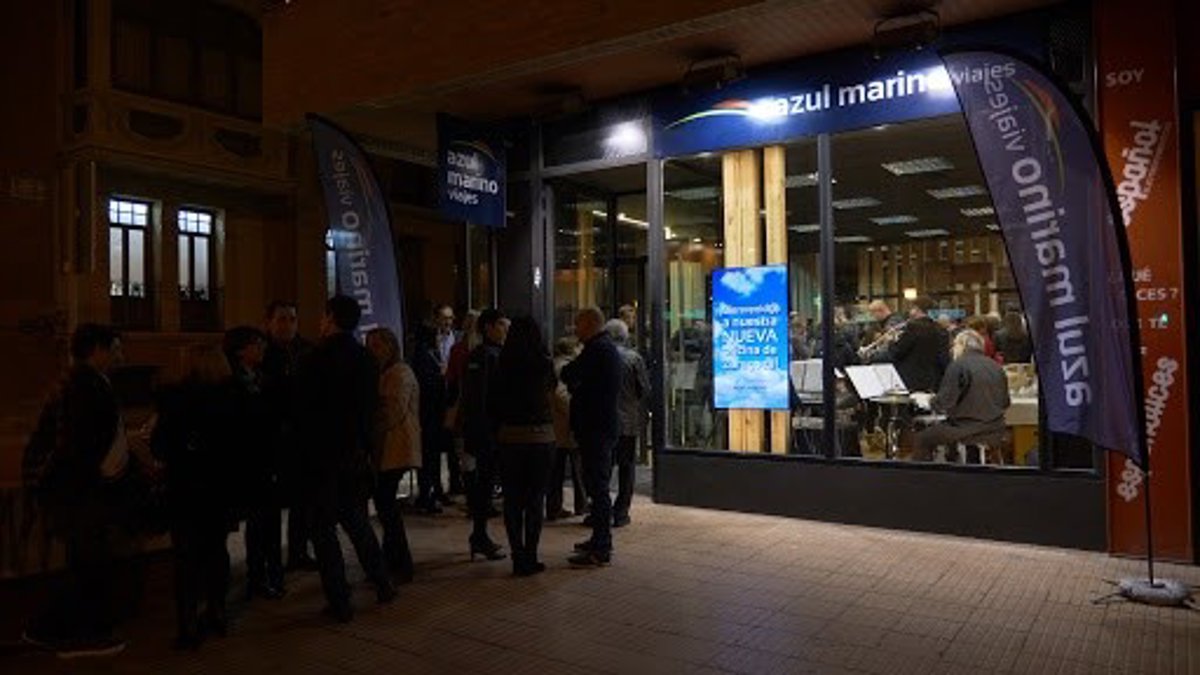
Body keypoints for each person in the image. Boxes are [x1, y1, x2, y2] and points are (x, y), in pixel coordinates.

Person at [22, 324, 129, 658]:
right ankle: (74, 634)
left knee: (85, 563)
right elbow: (78, 447)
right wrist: (99, 479)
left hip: (74, 491)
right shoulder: (86, 387)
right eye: (115, 349)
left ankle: (52, 629)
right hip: (79, 493)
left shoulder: (77, 382)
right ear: (97, 349)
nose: (120, 356)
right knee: (87, 565)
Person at [297, 296, 395, 623]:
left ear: (330, 318)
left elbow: (304, 411)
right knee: (357, 522)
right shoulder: (366, 359)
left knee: (323, 530)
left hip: (321, 456)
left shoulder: (314, 359)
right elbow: (370, 409)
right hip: (354, 453)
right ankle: (382, 582)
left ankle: (339, 600)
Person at [152, 344, 238, 650]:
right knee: (217, 551)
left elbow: (160, 446)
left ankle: (187, 624)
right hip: (220, 488)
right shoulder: (232, 399)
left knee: (186, 558)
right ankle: (217, 611)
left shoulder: (175, 400)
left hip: (185, 488)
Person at [490, 316, 557, 576]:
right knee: (535, 499)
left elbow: (494, 401)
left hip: (510, 437)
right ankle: (531, 554)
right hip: (541, 436)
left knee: (513, 500)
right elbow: (551, 395)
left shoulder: (502, 363)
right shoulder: (544, 363)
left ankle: (517, 556)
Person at [224, 326, 284, 601]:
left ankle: (272, 573)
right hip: (249, 463)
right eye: (256, 344)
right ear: (240, 350)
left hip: (268, 460)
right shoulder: (232, 384)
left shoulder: (263, 379)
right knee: (258, 522)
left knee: (269, 521)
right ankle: (257, 576)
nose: (262, 348)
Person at [561, 307, 622, 568]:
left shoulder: (597, 350)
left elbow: (569, 374)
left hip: (596, 429)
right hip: (600, 427)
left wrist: (576, 382)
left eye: (578, 324)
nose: (575, 330)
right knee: (597, 487)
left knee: (597, 488)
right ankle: (598, 539)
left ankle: (601, 546)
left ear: (589, 324)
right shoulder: (605, 349)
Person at [260, 301, 315, 573]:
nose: (288, 325)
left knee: (301, 501)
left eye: (292, 319)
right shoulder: (262, 352)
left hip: (301, 438)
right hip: (271, 440)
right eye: (281, 319)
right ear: (269, 322)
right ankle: (268, 561)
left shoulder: (307, 351)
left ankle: (298, 552)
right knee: (269, 507)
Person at [365, 327, 418, 583]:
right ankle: (392, 560)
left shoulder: (399, 373)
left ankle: (401, 563)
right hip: (387, 446)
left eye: (377, 345)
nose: (373, 350)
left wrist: (370, 425)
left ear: (391, 346)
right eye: (369, 345)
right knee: (386, 506)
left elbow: (392, 411)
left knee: (387, 505)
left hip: (395, 445)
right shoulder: (385, 372)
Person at [914, 330, 1011, 462]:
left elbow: (944, 403)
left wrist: (927, 400)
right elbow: (1005, 402)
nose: (952, 349)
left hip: (966, 428)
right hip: (996, 427)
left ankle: (923, 474)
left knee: (923, 438)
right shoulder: (996, 366)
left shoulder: (958, 366)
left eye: (954, 345)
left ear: (962, 345)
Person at [461, 308, 509, 561]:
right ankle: (479, 536)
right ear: (488, 327)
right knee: (484, 486)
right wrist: (483, 434)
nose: (505, 329)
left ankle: (479, 536)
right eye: (501, 324)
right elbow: (477, 400)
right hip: (488, 433)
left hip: (494, 432)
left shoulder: (496, 353)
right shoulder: (483, 355)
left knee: (487, 486)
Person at [606, 319, 648, 529]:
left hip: (604, 421)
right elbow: (644, 388)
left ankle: (601, 510)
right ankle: (621, 512)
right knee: (626, 467)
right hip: (628, 421)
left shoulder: (601, 357)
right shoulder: (633, 358)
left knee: (602, 469)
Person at [868, 296, 949, 393]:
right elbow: (943, 358)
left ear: (916, 309)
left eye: (911, 308)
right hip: (934, 382)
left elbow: (896, 353)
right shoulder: (941, 330)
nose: (910, 312)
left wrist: (891, 342)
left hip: (912, 381)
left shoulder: (913, 328)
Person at [547, 337, 587, 521]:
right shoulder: (563, 367)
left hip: (557, 427)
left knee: (556, 470)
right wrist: (577, 411)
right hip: (565, 426)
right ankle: (580, 504)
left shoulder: (555, 365)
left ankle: (555, 506)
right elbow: (561, 395)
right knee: (577, 468)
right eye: (578, 346)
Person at [411, 323, 448, 514]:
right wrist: (441, 377)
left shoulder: (421, 354)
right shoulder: (425, 356)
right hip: (429, 414)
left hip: (426, 414)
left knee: (428, 456)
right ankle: (428, 494)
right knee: (429, 457)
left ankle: (429, 492)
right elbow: (430, 385)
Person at [444, 310, 480, 494]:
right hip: (481, 408)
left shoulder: (458, 350)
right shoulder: (484, 350)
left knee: (463, 451)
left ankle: (467, 490)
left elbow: (451, 380)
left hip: (462, 407)